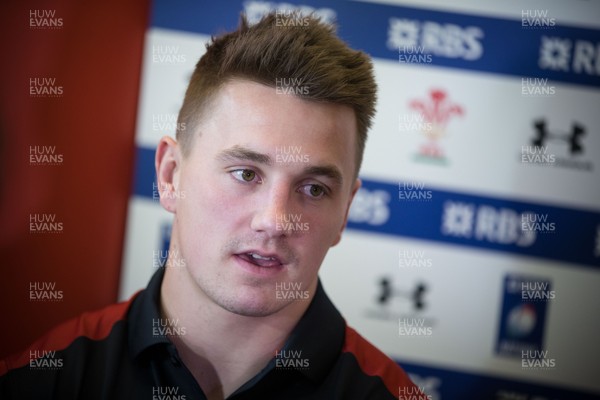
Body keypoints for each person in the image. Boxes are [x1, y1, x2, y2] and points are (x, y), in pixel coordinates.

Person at [0, 12, 426, 400]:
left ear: (345, 212)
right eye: (246, 174)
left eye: (313, 189)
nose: (274, 221)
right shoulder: (42, 381)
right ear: (170, 176)